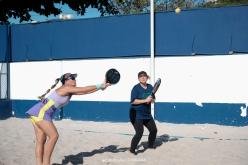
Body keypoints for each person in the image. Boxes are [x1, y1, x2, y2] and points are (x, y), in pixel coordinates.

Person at [26, 73, 111, 165]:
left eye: (75, 78)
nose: (75, 79)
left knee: (41, 140)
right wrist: (100, 85)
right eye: (72, 78)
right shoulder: (66, 88)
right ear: (66, 81)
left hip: (36, 111)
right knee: (54, 136)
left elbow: (84, 92)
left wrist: (100, 87)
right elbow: (83, 89)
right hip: (41, 112)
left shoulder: (69, 90)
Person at [129, 71, 158, 155]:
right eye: (140, 76)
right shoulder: (135, 88)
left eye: (144, 76)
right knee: (139, 132)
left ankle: (150, 145)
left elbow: (153, 100)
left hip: (147, 114)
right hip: (136, 114)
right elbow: (133, 101)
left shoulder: (150, 87)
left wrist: (151, 100)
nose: (143, 77)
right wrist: (145, 100)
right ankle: (132, 149)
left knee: (153, 130)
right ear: (138, 78)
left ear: (147, 77)